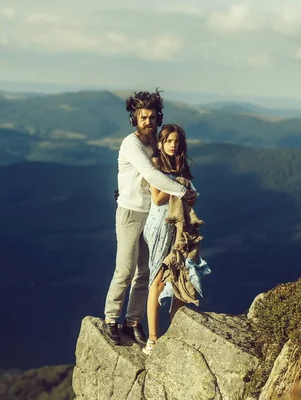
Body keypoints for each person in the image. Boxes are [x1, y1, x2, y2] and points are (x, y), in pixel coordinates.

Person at [102, 90, 198, 347]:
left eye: (152, 117)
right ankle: (111, 318)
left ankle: (132, 321)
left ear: (158, 118)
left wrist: (190, 189)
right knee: (125, 268)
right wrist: (183, 192)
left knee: (144, 271)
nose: (148, 122)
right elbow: (150, 174)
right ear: (135, 118)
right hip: (131, 212)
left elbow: (169, 170)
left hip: (154, 217)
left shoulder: (155, 142)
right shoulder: (131, 144)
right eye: (143, 117)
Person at [141, 123, 210, 355]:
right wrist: (179, 186)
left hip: (179, 229)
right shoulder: (156, 164)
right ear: (160, 143)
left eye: (176, 141)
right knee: (158, 281)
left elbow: (190, 199)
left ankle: (174, 335)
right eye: (168, 140)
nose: (173, 145)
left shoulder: (181, 167)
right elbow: (158, 198)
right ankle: (152, 339)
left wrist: (188, 193)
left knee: (179, 277)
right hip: (161, 226)